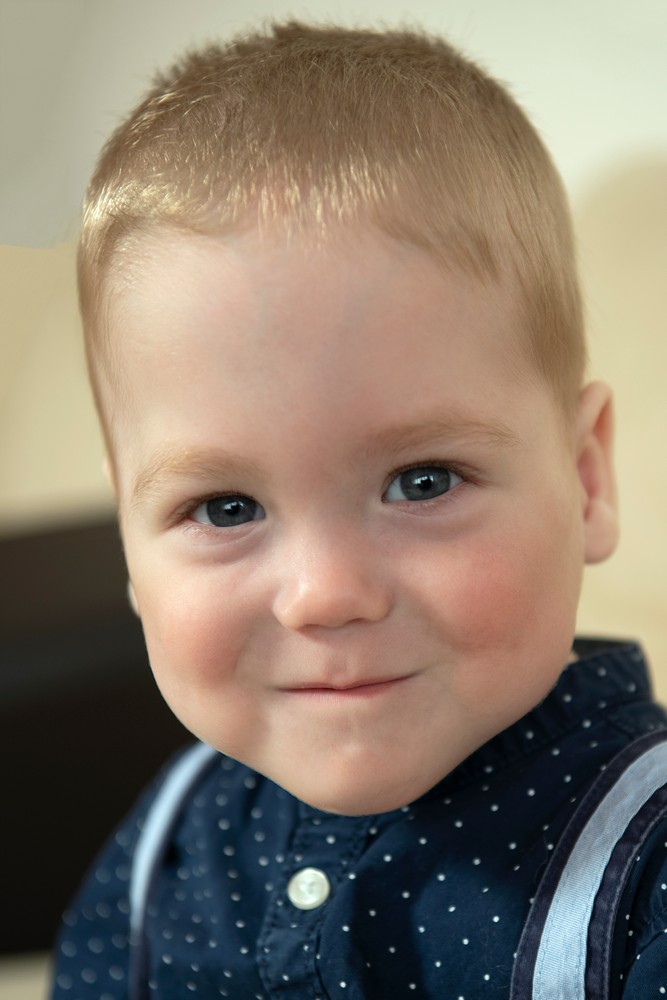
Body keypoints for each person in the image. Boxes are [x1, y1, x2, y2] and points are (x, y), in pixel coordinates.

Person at [51, 21, 667, 1000]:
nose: (326, 595)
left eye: (423, 481)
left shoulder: (644, 864)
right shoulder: (171, 837)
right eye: (226, 506)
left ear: (587, 478)